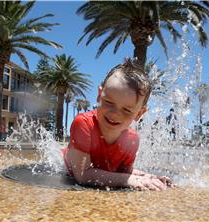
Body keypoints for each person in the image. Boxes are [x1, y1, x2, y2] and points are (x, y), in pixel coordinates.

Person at [63, 59, 174, 191]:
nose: (115, 114)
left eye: (127, 110)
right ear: (99, 95)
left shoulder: (132, 140)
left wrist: (148, 177)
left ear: (139, 113)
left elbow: (124, 172)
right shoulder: (84, 124)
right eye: (108, 102)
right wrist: (129, 180)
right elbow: (82, 175)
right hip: (71, 164)